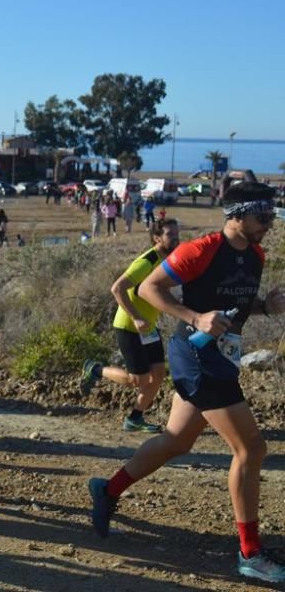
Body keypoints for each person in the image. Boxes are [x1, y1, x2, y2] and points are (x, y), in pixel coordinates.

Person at [88, 182, 285, 584]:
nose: (270, 224)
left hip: (219, 357)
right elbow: (147, 288)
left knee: (176, 441)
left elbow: (235, 308)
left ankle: (107, 490)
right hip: (196, 355)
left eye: (272, 216)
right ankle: (250, 553)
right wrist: (195, 319)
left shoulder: (256, 255)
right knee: (251, 448)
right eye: (262, 216)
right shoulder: (201, 249)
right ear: (237, 214)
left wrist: (267, 306)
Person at [80, 219, 181, 432]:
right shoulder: (147, 260)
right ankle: (95, 369)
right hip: (129, 326)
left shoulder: (168, 260)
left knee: (159, 374)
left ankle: (135, 418)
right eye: (171, 234)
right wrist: (136, 317)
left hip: (149, 328)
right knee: (137, 380)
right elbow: (117, 288)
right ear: (157, 238)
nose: (176, 238)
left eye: (177, 234)